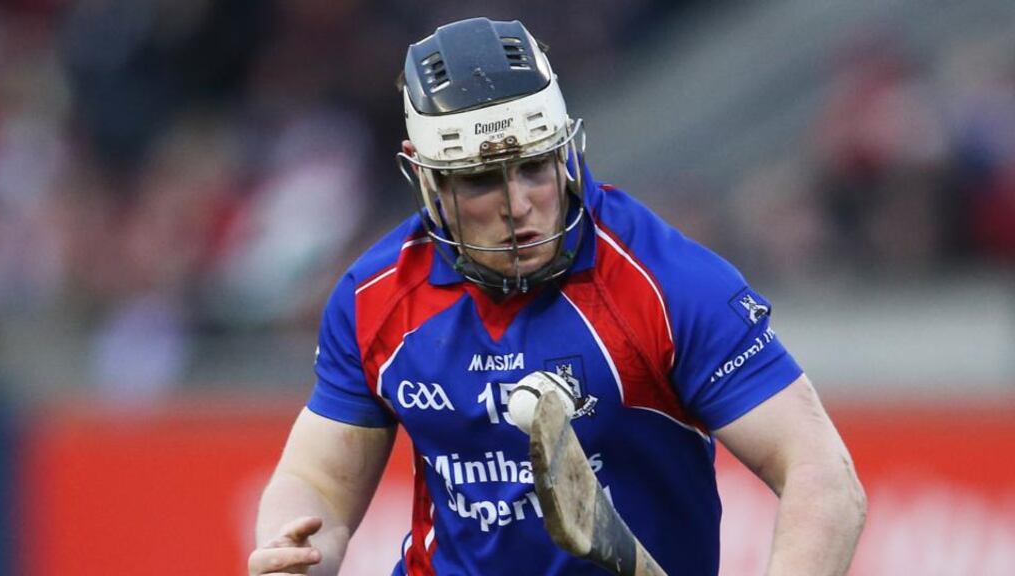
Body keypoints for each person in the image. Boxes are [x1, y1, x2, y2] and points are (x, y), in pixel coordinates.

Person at [249, 17, 866, 576]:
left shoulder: (671, 285)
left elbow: (821, 476)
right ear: (427, 179)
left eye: (535, 168)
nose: (518, 204)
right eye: (481, 180)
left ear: (568, 153)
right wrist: (299, 549)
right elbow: (317, 480)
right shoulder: (375, 296)